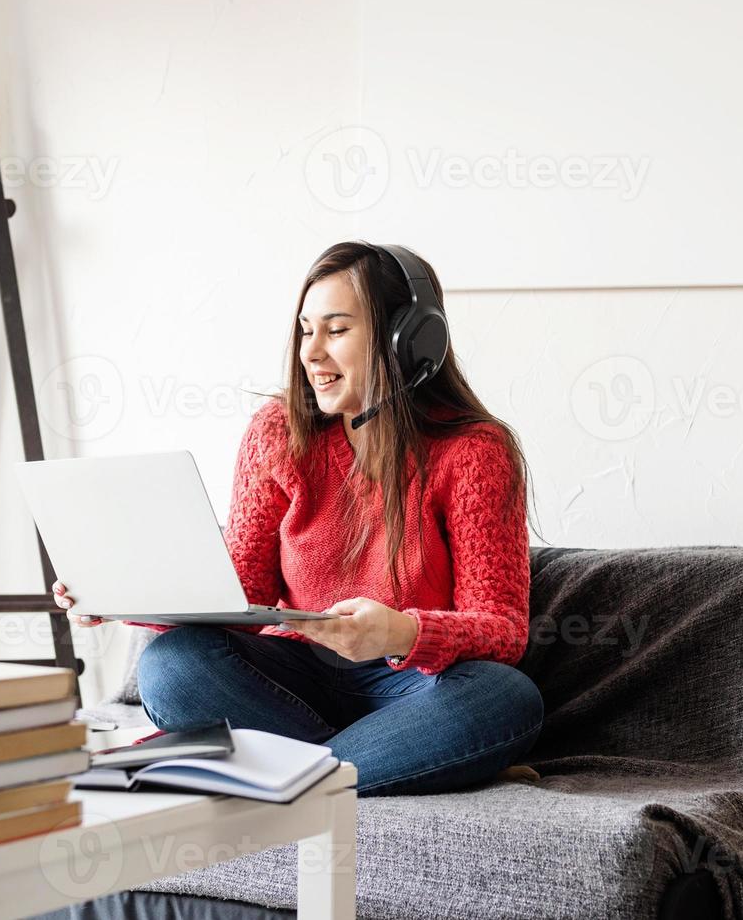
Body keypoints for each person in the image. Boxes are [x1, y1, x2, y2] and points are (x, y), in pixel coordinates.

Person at [53, 241, 543, 796]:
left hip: (412, 685)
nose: (311, 353)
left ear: (408, 340)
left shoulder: (476, 450)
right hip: (293, 675)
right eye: (306, 330)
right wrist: (118, 595)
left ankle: (294, 771)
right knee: (172, 665)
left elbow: (504, 631)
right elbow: (241, 591)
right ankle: (378, 762)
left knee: (504, 697)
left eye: (336, 330)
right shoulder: (278, 432)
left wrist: (398, 630)